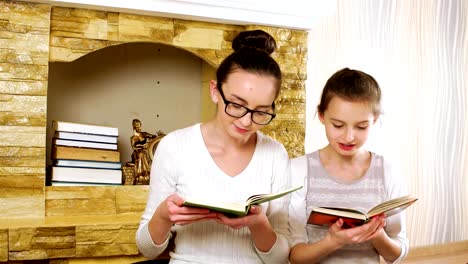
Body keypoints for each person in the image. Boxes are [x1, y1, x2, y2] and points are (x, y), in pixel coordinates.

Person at [136, 29, 292, 263]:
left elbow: (280, 258)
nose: (246, 121)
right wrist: (163, 216)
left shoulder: (275, 154)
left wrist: (258, 223)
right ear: (215, 91)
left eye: (261, 111)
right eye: (237, 104)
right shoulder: (175, 146)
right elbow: (148, 250)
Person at [288, 68, 409, 263]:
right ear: (321, 115)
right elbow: (295, 257)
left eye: (361, 126)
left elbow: (396, 253)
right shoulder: (298, 170)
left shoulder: (387, 171)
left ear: (374, 120)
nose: (349, 137)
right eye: (337, 125)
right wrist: (332, 242)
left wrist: (377, 235)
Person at [130, 119, 158, 184]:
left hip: (145, 151)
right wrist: (142, 146)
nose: (139, 127)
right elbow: (134, 148)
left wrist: (152, 138)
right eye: (137, 126)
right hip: (137, 153)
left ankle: (148, 173)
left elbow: (153, 136)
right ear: (134, 126)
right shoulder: (133, 137)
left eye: (140, 125)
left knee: (149, 154)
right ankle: (141, 174)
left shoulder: (144, 134)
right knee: (141, 154)